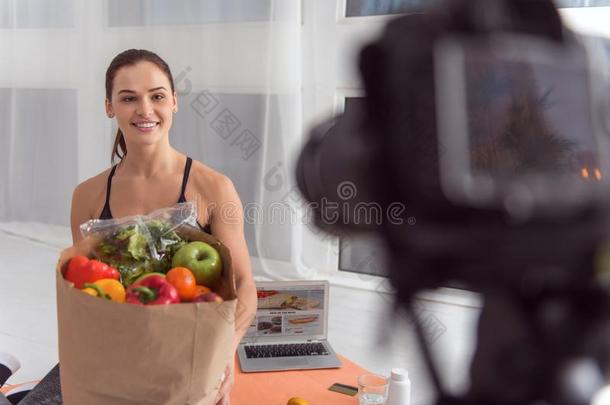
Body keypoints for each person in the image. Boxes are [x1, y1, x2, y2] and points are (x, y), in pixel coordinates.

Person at [69, 49, 257, 405]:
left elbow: (244, 285)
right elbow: (85, 292)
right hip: (113, 362)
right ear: (109, 106)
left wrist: (224, 356)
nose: (145, 110)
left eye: (156, 96)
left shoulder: (214, 187)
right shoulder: (87, 196)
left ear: (174, 102)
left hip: (193, 363)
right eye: (128, 98)